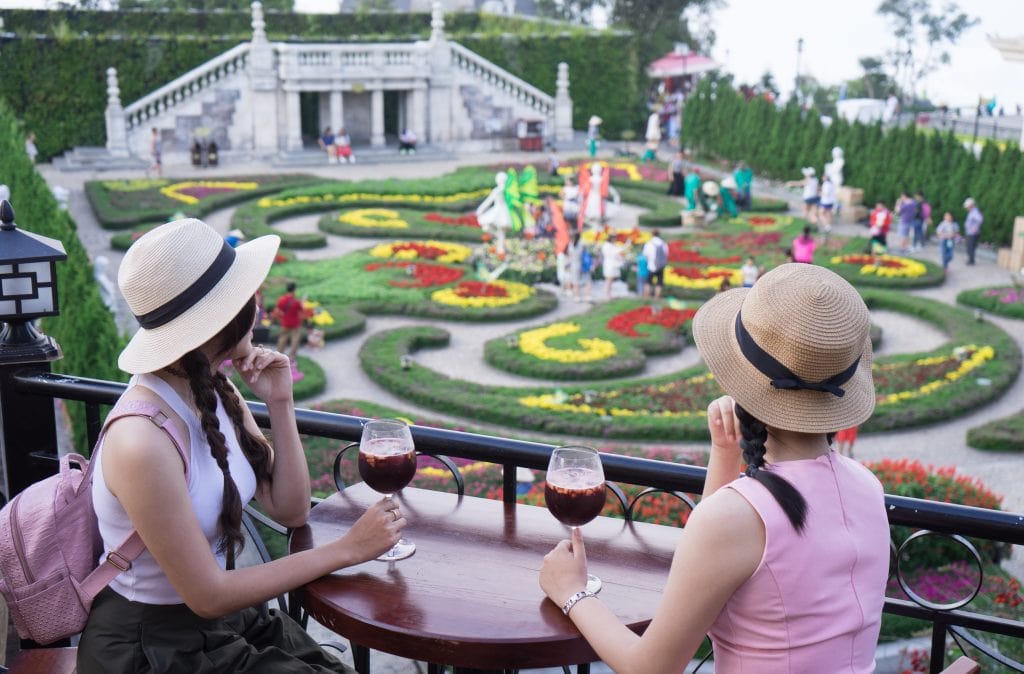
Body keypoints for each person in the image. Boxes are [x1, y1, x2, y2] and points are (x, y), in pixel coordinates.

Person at [78, 218, 404, 673]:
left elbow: (290, 510)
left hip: (221, 624)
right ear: (222, 318)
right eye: (248, 294)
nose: (258, 304)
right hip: (154, 645)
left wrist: (280, 402)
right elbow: (206, 594)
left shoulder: (210, 387)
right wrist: (349, 548)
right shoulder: (141, 439)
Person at [540, 263, 889, 673]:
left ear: (740, 378)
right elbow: (724, 550)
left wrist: (573, 593)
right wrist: (726, 452)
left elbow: (650, 668)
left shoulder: (736, 519)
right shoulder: (866, 486)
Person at [273, 282, 310, 361]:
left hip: (285, 322)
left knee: (282, 339)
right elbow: (302, 309)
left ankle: (279, 354)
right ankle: (292, 356)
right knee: (295, 340)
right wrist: (303, 301)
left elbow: (278, 310)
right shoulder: (296, 302)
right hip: (295, 323)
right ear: (294, 290)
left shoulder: (282, 300)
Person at [642, 229, 668, 298]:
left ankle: (647, 297)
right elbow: (666, 254)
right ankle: (657, 297)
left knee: (648, 282)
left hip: (651, 265)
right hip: (660, 266)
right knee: (659, 283)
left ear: (652, 234)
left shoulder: (649, 243)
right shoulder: (663, 243)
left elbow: (645, 254)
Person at [963, 197, 983, 266]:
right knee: (970, 247)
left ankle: (971, 261)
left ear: (971, 205)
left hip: (972, 233)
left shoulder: (975, 212)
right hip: (970, 233)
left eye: (967, 206)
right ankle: (971, 260)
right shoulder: (972, 212)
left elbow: (980, 219)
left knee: (970, 247)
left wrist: (975, 227)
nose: (966, 208)